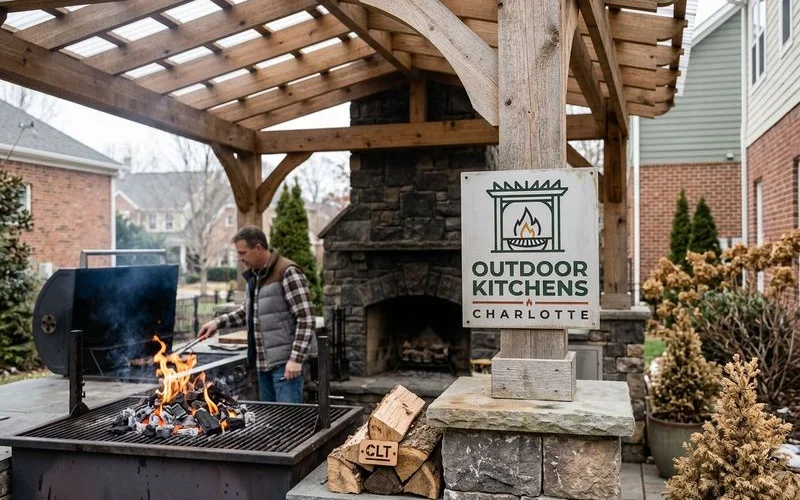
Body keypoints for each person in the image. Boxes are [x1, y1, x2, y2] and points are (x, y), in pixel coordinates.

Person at [198, 225, 316, 403]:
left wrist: (296, 359)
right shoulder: (255, 277)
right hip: (263, 366)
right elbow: (247, 312)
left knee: (288, 423)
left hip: (286, 365)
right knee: (269, 423)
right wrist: (217, 323)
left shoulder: (287, 272)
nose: (239, 259)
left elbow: (306, 318)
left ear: (258, 248)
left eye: (242, 253)